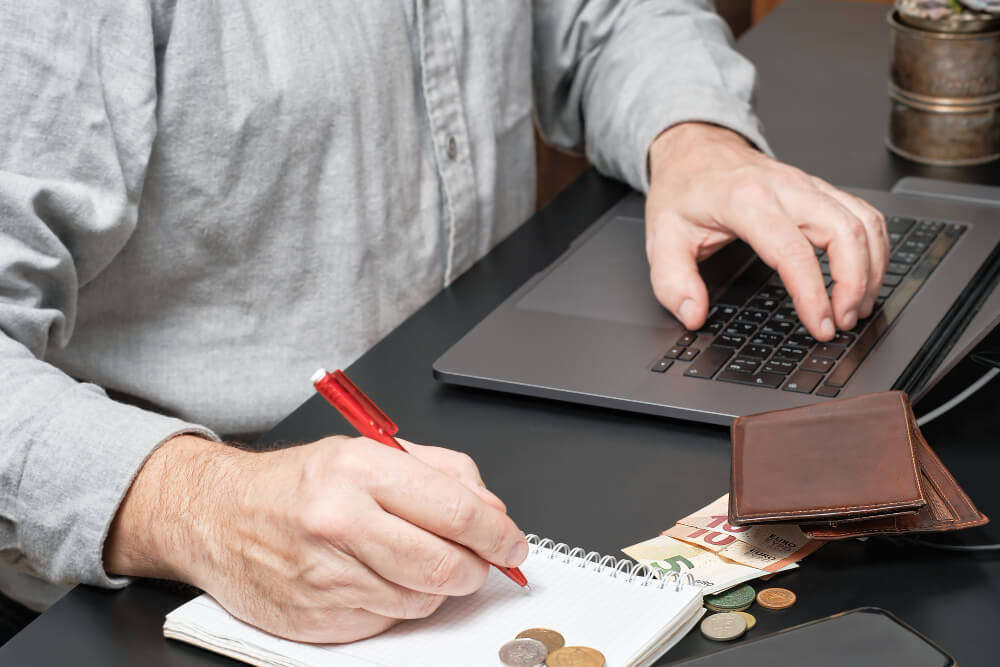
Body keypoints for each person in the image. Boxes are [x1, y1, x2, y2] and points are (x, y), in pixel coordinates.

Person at [0, 0, 887, 646]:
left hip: (476, 440)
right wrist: (193, 504)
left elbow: (607, 16)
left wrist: (694, 138)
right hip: (180, 572)